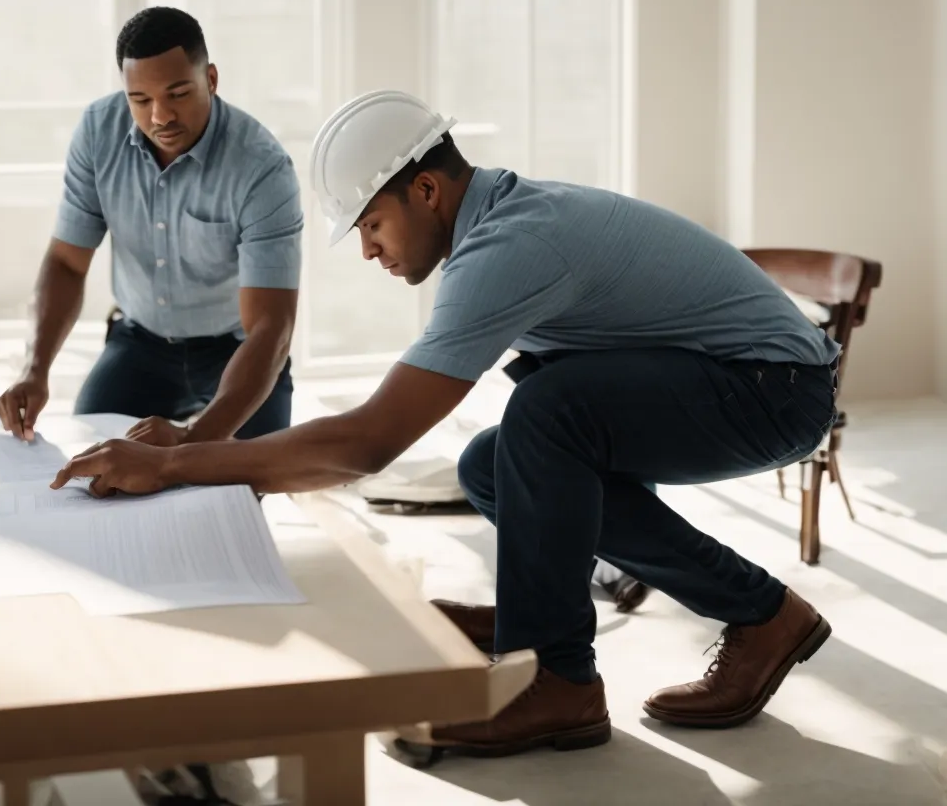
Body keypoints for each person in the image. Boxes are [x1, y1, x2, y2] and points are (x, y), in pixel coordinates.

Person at [51, 90, 842, 757]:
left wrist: (173, 466)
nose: (368, 251)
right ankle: (748, 616)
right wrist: (194, 442)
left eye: (370, 225)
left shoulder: (510, 247)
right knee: (491, 465)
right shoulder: (501, 223)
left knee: (547, 410)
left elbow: (367, 443)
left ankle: (559, 681)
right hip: (750, 379)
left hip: (776, 390)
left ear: (425, 190)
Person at [0, 7, 302, 449]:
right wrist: (34, 370)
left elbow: (271, 329)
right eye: (140, 100)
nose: (160, 116)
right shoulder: (98, 132)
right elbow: (66, 261)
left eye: (178, 94)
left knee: (248, 480)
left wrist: (191, 441)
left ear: (211, 79)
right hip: (140, 346)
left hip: (239, 351)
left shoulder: (262, 167)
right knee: (94, 465)